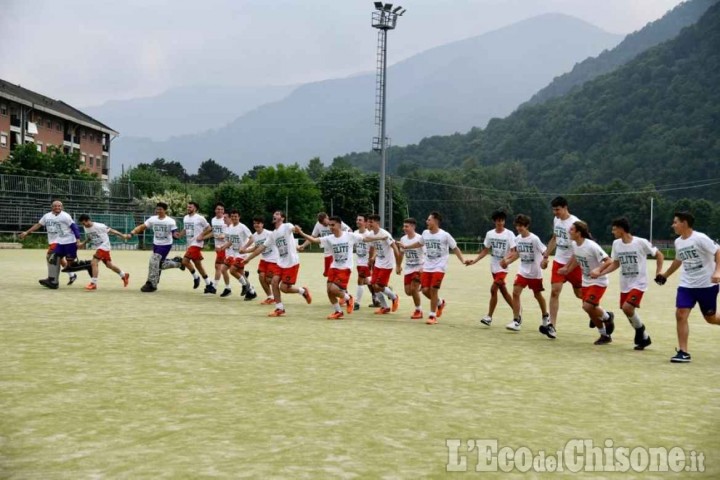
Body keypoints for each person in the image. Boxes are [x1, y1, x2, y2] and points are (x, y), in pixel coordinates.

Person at [655, 212, 720, 363]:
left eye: (675, 222)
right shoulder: (678, 242)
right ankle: (683, 352)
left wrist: (717, 271)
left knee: (710, 318)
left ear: (684, 223)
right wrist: (665, 275)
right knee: (680, 314)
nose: (673, 225)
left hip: (706, 285)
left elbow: (718, 251)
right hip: (686, 285)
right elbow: (678, 260)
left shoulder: (700, 238)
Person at [595, 217, 663, 350]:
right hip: (625, 284)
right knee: (627, 310)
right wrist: (601, 273)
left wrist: (658, 272)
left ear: (621, 229)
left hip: (639, 283)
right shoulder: (616, 244)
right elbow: (616, 263)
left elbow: (659, 255)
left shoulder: (641, 242)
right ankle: (644, 337)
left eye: (614, 229)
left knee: (627, 308)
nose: (613, 232)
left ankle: (640, 330)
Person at [399, 211, 467, 325]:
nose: (426, 221)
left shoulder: (445, 235)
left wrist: (463, 260)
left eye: (428, 220)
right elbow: (419, 244)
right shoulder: (425, 233)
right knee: (425, 290)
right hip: (428, 267)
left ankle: (432, 315)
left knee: (434, 289)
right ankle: (440, 303)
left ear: (435, 221)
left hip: (440, 266)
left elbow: (455, 248)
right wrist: (406, 246)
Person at [296, 215, 366, 319]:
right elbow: (314, 240)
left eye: (333, 225)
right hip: (334, 267)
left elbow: (367, 238)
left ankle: (348, 298)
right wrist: (301, 233)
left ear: (339, 225)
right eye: (329, 225)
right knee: (329, 290)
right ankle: (338, 311)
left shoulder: (350, 235)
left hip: (345, 268)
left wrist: (382, 237)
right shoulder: (329, 238)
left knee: (334, 289)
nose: (331, 227)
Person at [558, 221, 616, 345]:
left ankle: (607, 317)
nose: (569, 231)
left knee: (587, 306)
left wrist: (598, 269)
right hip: (586, 281)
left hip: (598, 281)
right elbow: (576, 258)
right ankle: (605, 333)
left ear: (579, 233)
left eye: (572, 230)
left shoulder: (591, 246)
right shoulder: (574, 244)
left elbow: (609, 260)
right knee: (591, 309)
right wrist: (567, 268)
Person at [19, 200, 90, 289]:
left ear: (62, 207)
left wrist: (78, 240)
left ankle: (54, 279)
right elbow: (38, 225)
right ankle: (64, 277)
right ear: (51, 207)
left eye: (59, 206)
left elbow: (74, 227)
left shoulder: (65, 216)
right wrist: (27, 232)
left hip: (66, 241)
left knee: (54, 258)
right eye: (55, 206)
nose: (57, 207)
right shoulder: (47, 216)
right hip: (57, 241)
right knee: (56, 259)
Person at [541, 196, 583, 338]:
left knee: (580, 294)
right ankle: (552, 326)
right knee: (555, 291)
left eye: (557, 209)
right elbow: (554, 238)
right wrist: (546, 256)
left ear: (565, 207)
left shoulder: (575, 223)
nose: (555, 212)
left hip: (574, 262)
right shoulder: (556, 220)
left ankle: (599, 313)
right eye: (553, 210)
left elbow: (580, 246)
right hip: (559, 260)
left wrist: (570, 266)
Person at [467, 210, 517, 327]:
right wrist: (474, 261)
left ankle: (489, 317)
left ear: (504, 221)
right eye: (498, 220)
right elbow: (485, 250)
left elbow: (514, 251)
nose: (500, 222)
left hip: (503, 266)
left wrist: (506, 259)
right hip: (493, 265)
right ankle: (517, 311)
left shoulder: (509, 234)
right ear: (494, 221)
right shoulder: (490, 234)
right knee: (504, 291)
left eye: (502, 220)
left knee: (493, 289)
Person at [502, 214, 549, 332]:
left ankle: (545, 316)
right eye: (517, 226)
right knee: (515, 293)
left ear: (527, 226)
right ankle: (516, 321)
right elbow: (518, 254)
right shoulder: (517, 239)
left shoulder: (534, 239)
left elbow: (544, 251)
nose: (518, 228)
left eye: (521, 226)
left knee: (537, 295)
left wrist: (545, 261)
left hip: (535, 273)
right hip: (522, 271)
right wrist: (507, 262)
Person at [125, 202, 183, 292]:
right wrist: (132, 233)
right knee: (158, 264)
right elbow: (141, 227)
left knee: (154, 260)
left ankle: (151, 284)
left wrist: (176, 235)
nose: (158, 211)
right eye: (157, 209)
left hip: (166, 245)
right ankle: (177, 263)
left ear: (165, 210)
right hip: (156, 244)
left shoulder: (170, 221)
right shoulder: (152, 219)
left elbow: (174, 232)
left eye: (160, 209)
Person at [267, 210, 312, 317]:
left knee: (284, 288)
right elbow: (261, 247)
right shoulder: (273, 234)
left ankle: (302, 291)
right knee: (274, 282)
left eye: (277, 214)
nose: (274, 215)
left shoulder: (287, 226)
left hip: (292, 262)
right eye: (274, 214)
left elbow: (293, 229)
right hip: (280, 262)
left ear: (282, 218)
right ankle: (279, 308)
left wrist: (296, 229)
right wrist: (248, 256)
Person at [77, 214, 130, 290]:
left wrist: (123, 236)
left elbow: (112, 230)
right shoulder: (86, 227)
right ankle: (124, 275)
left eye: (84, 223)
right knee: (109, 265)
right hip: (100, 248)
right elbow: (90, 237)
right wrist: (83, 243)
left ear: (88, 220)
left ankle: (93, 283)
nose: (83, 225)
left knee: (93, 262)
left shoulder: (99, 226)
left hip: (104, 246)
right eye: (82, 224)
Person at [364, 214, 401, 315]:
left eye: (371, 222)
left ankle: (394, 297)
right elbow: (374, 246)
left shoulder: (385, 234)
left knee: (379, 286)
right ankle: (385, 307)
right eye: (368, 222)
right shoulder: (372, 234)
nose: (369, 224)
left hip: (387, 264)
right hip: (378, 264)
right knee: (373, 285)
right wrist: (372, 258)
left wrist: (398, 265)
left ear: (377, 223)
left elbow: (395, 248)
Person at [218, 209, 257, 300]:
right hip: (235, 253)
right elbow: (231, 241)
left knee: (232, 270)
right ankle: (251, 291)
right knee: (230, 270)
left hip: (243, 254)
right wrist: (223, 247)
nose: (234, 218)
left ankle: (245, 286)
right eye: (232, 216)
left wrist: (244, 247)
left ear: (239, 217)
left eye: (236, 216)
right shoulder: (231, 227)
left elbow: (252, 239)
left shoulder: (242, 227)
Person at [298, 212, 352, 277]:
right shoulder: (318, 225)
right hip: (327, 252)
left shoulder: (335, 222)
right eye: (322, 224)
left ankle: (337, 284)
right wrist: (303, 245)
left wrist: (347, 240)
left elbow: (349, 230)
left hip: (337, 250)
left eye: (325, 223)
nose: (324, 225)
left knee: (335, 271)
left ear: (327, 217)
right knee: (327, 274)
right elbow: (313, 237)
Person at [239, 216, 279, 305]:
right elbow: (256, 248)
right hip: (264, 260)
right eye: (254, 223)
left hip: (273, 259)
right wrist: (245, 250)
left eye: (258, 223)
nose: (256, 225)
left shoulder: (269, 233)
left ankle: (279, 288)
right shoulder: (255, 236)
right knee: (261, 277)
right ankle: (270, 297)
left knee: (269, 280)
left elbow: (279, 241)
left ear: (262, 224)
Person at [178, 201, 212, 291]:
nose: (188, 208)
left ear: (195, 208)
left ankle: (196, 277)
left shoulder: (200, 218)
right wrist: (179, 235)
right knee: (198, 265)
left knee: (185, 261)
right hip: (190, 244)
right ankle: (209, 284)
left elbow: (209, 228)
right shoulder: (185, 218)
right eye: (188, 207)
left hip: (197, 244)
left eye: (190, 207)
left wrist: (202, 235)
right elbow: (185, 229)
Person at [397, 218, 425, 320]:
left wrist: (423, 267)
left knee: (413, 289)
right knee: (408, 292)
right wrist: (398, 266)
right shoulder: (403, 239)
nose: (404, 228)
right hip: (408, 268)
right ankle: (439, 301)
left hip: (419, 267)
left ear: (413, 227)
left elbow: (426, 254)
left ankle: (418, 310)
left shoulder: (420, 238)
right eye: (404, 226)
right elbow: (401, 253)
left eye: (406, 226)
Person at [205, 203, 232, 296]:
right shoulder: (213, 220)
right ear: (215, 210)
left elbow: (227, 234)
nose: (220, 211)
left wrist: (221, 236)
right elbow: (214, 232)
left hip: (224, 247)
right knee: (225, 267)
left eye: (221, 209)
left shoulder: (226, 220)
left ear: (224, 211)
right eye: (218, 209)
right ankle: (243, 275)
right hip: (218, 247)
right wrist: (203, 237)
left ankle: (214, 287)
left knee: (218, 266)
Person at [353, 214, 375, 310]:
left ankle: (357, 303)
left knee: (360, 280)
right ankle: (383, 289)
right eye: (357, 219)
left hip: (366, 262)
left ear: (365, 223)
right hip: (359, 261)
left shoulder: (369, 234)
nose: (358, 221)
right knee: (368, 281)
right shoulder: (355, 233)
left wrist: (370, 260)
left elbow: (373, 248)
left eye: (360, 220)